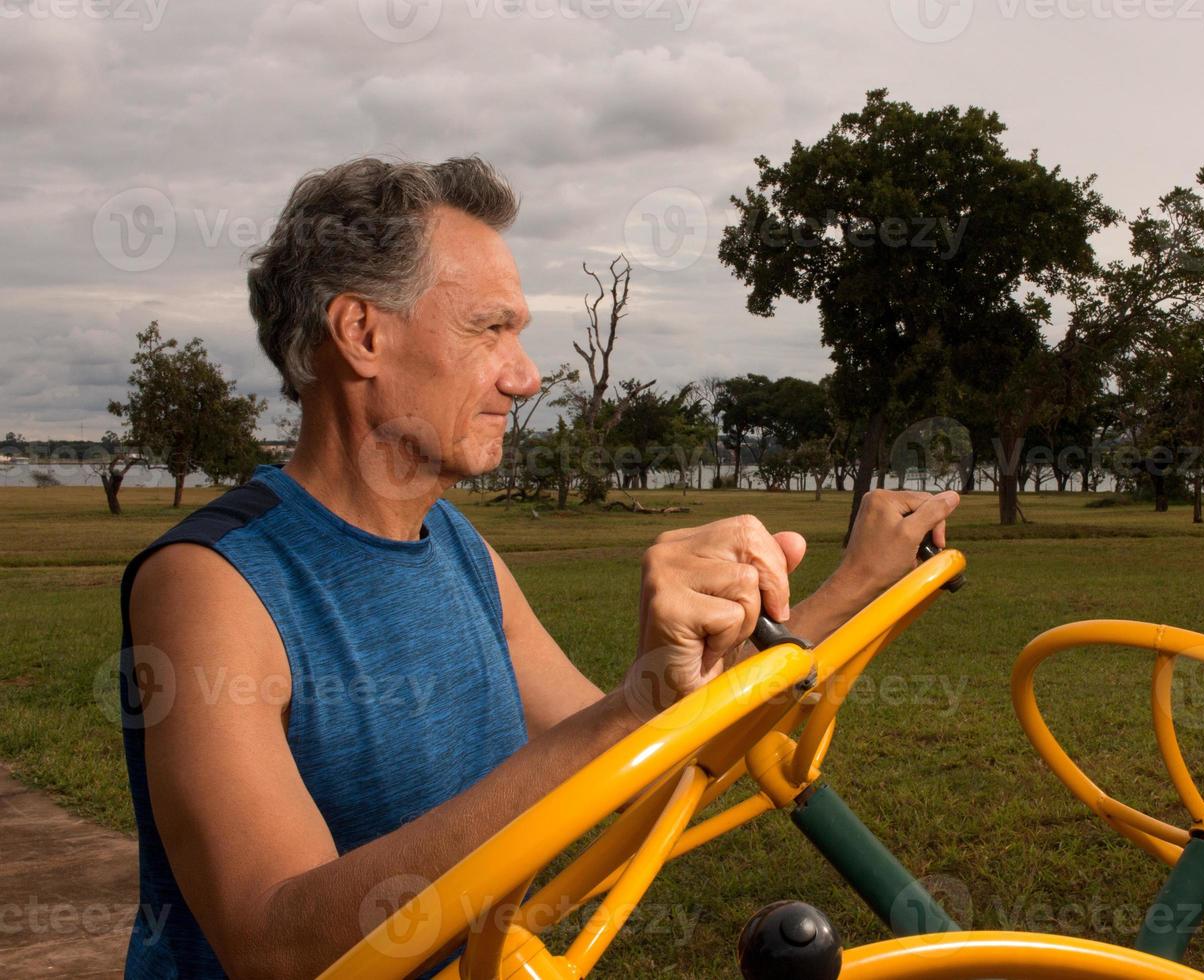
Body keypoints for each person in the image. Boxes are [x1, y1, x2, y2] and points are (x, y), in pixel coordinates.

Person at [118, 156, 960, 979]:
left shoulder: (453, 544)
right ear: (362, 333)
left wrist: (854, 584)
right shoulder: (211, 582)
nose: (525, 377)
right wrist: (630, 708)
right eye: (491, 329)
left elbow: (655, 757)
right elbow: (274, 945)